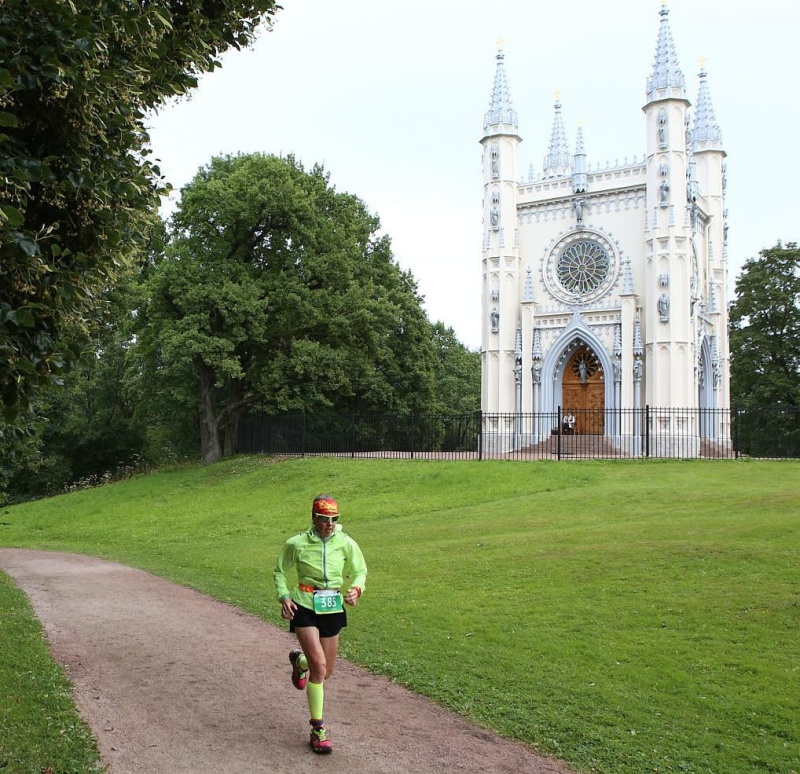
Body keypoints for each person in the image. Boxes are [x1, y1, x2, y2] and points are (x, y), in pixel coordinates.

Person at [274, 494, 367, 755]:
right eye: (324, 519)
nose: (329, 524)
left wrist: (357, 589)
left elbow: (360, 570)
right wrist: (284, 596)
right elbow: (279, 570)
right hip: (304, 604)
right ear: (314, 518)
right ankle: (318, 729)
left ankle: (299, 662)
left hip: (332, 606)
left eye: (334, 519)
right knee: (320, 666)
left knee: (325, 671)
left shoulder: (345, 542)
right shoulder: (297, 543)